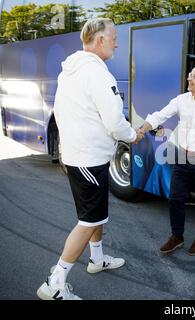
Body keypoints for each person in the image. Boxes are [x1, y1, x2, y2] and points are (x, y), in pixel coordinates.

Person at [36, 18, 143, 300]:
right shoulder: (98, 74)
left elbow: (63, 113)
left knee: (97, 215)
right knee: (88, 221)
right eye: (114, 37)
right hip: (88, 158)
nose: (117, 42)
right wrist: (132, 136)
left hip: (79, 155)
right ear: (100, 41)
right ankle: (55, 283)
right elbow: (113, 121)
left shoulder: (70, 71)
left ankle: (97, 259)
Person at [139, 63, 195, 256]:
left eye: (194, 76)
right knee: (176, 199)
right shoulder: (181, 100)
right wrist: (142, 128)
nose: (189, 78)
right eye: (190, 75)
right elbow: (160, 115)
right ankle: (177, 237)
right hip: (182, 158)